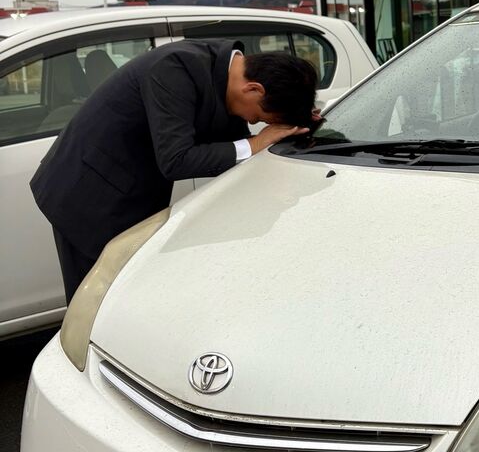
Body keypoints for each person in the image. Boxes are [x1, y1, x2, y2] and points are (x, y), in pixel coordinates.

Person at [31, 39, 317, 301]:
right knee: (97, 303)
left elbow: (233, 144)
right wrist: (255, 143)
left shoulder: (226, 74)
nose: (253, 122)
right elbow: (177, 159)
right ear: (253, 89)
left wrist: (300, 125)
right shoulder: (173, 68)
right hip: (88, 195)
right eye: (259, 116)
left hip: (131, 189)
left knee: (130, 296)